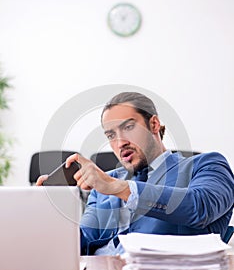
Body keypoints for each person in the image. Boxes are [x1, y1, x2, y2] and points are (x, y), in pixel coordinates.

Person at [37, 92, 234, 255]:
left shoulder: (207, 165)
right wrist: (54, 211)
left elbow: (201, 207)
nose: (120, 142)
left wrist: (119, 188)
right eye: (111, 135)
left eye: (129, 127)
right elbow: (84, 242)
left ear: (154, 124)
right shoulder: (102, 187)